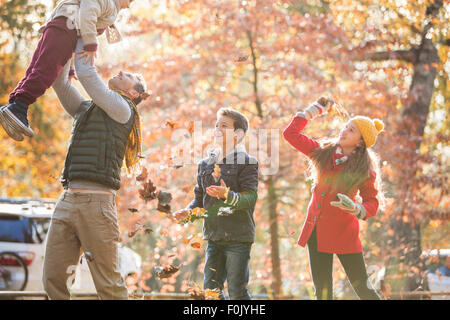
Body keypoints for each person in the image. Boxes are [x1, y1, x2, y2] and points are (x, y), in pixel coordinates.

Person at [42, 38, 149, 300]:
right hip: (67, 200)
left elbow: (88, 75)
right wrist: (64, 44)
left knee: (109, 285)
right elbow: (60, 82)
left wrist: (80, 38)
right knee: (53, 279)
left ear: (133, 94)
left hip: (97, 206)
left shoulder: (124, 109)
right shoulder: (86, 109)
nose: (121, 72)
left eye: (129, 76)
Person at [283, 97, 384, 300]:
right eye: (346, 126)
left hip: (344, 233)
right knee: (323, 293)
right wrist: (313, 110)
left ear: (361, 142)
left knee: (364, 290)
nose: (344, 131)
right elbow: (290, 134)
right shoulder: (322, 152)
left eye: (352, 130)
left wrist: (357, 208)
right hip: (317, 231)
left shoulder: (364, 169)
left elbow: (372, 201)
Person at [0, 0, 134, 141]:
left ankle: (14, 105)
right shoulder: (108, 3)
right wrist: (91, 45)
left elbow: (77, 35)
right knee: (46, 72)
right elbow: (87, 14)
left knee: (36, 69)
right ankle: (19, 107)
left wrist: (69, 68)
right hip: (64, 29)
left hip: (58, 28)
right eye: (130, 1)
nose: (129, 5)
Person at [173, 108, 259, 300]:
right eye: (216, 125)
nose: (218, 129)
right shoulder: (205, 164)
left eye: (224, 126)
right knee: (211, 292)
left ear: (237, 134)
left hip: (238, 237)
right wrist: (187, 212)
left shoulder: (248, 162)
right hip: (213, 236)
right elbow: (199, 200)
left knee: (236, 291)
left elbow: (250, 198)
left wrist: (227, 195)